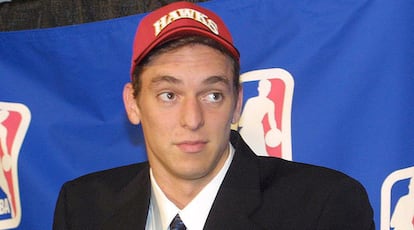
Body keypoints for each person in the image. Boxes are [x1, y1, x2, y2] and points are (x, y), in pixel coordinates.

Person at [53, 1, 375, 229]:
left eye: (212, 95)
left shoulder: (322, 205)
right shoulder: (82, 206)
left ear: (237, 104)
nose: (192, 119)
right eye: (169, 95)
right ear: (133, 104)